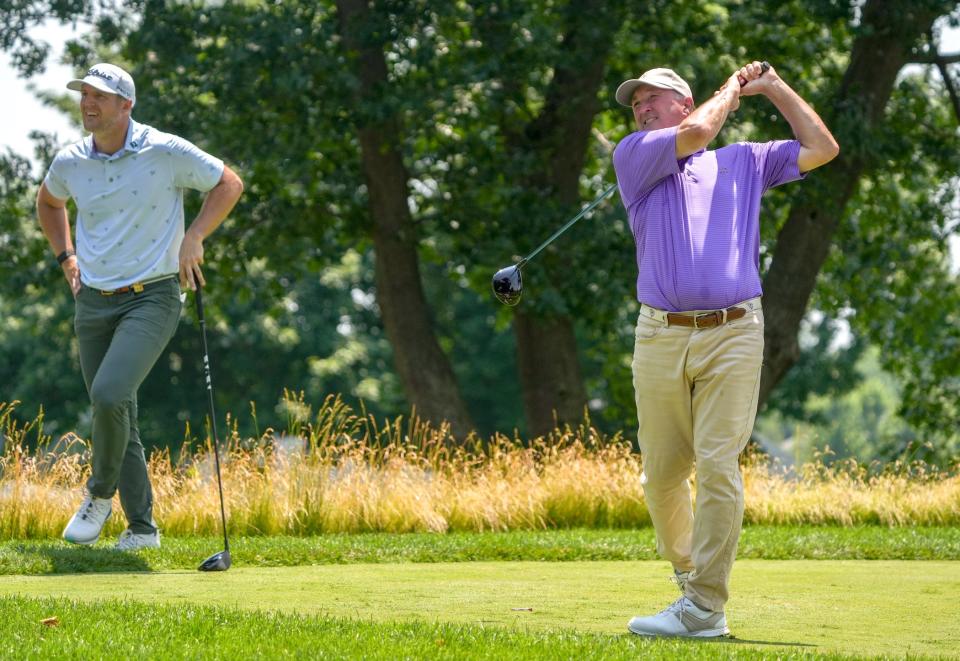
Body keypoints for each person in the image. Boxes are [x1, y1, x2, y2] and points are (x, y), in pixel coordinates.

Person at [612, 62, 838, 637]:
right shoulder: (636, 153)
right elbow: (695, 136)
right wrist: (731, 91)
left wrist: (773, 87)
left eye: (652, 99)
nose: (640, 110)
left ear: (682, 100)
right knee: (662, 477)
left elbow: (822, 147)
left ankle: (705, 607)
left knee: (716, 463)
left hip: (737, 330)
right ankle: (690, 575)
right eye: (635, 103)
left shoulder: (744, 161)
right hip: (660, 334)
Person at [36, 63, 244, 550]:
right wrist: (66, 256)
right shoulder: (70, 161)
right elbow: (49, 203)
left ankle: (99, 495)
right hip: (92, 300)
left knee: (108, 396)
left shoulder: (164, 150)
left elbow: (228, 183)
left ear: (126, 105)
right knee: (117, 410)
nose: (89, 103)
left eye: (100, 97)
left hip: (153, 295)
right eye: (84, 94)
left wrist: (195, 236)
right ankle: (143, 529)